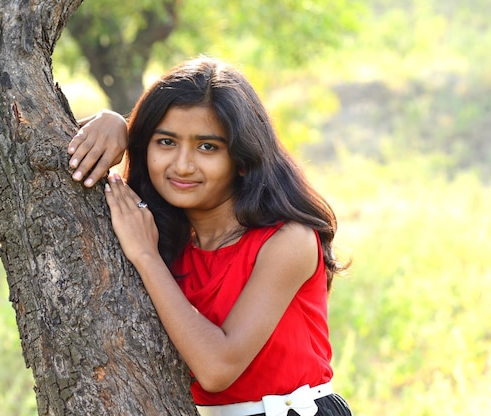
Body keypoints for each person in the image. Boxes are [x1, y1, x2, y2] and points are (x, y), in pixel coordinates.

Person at [68, 57, 353, 416]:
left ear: (243, 158)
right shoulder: (164, 232)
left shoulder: (287, 240)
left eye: (208, 147)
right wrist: (114, 123)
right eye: (166, 142)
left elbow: (217, 368)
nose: (183, 165)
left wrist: (146, 257)